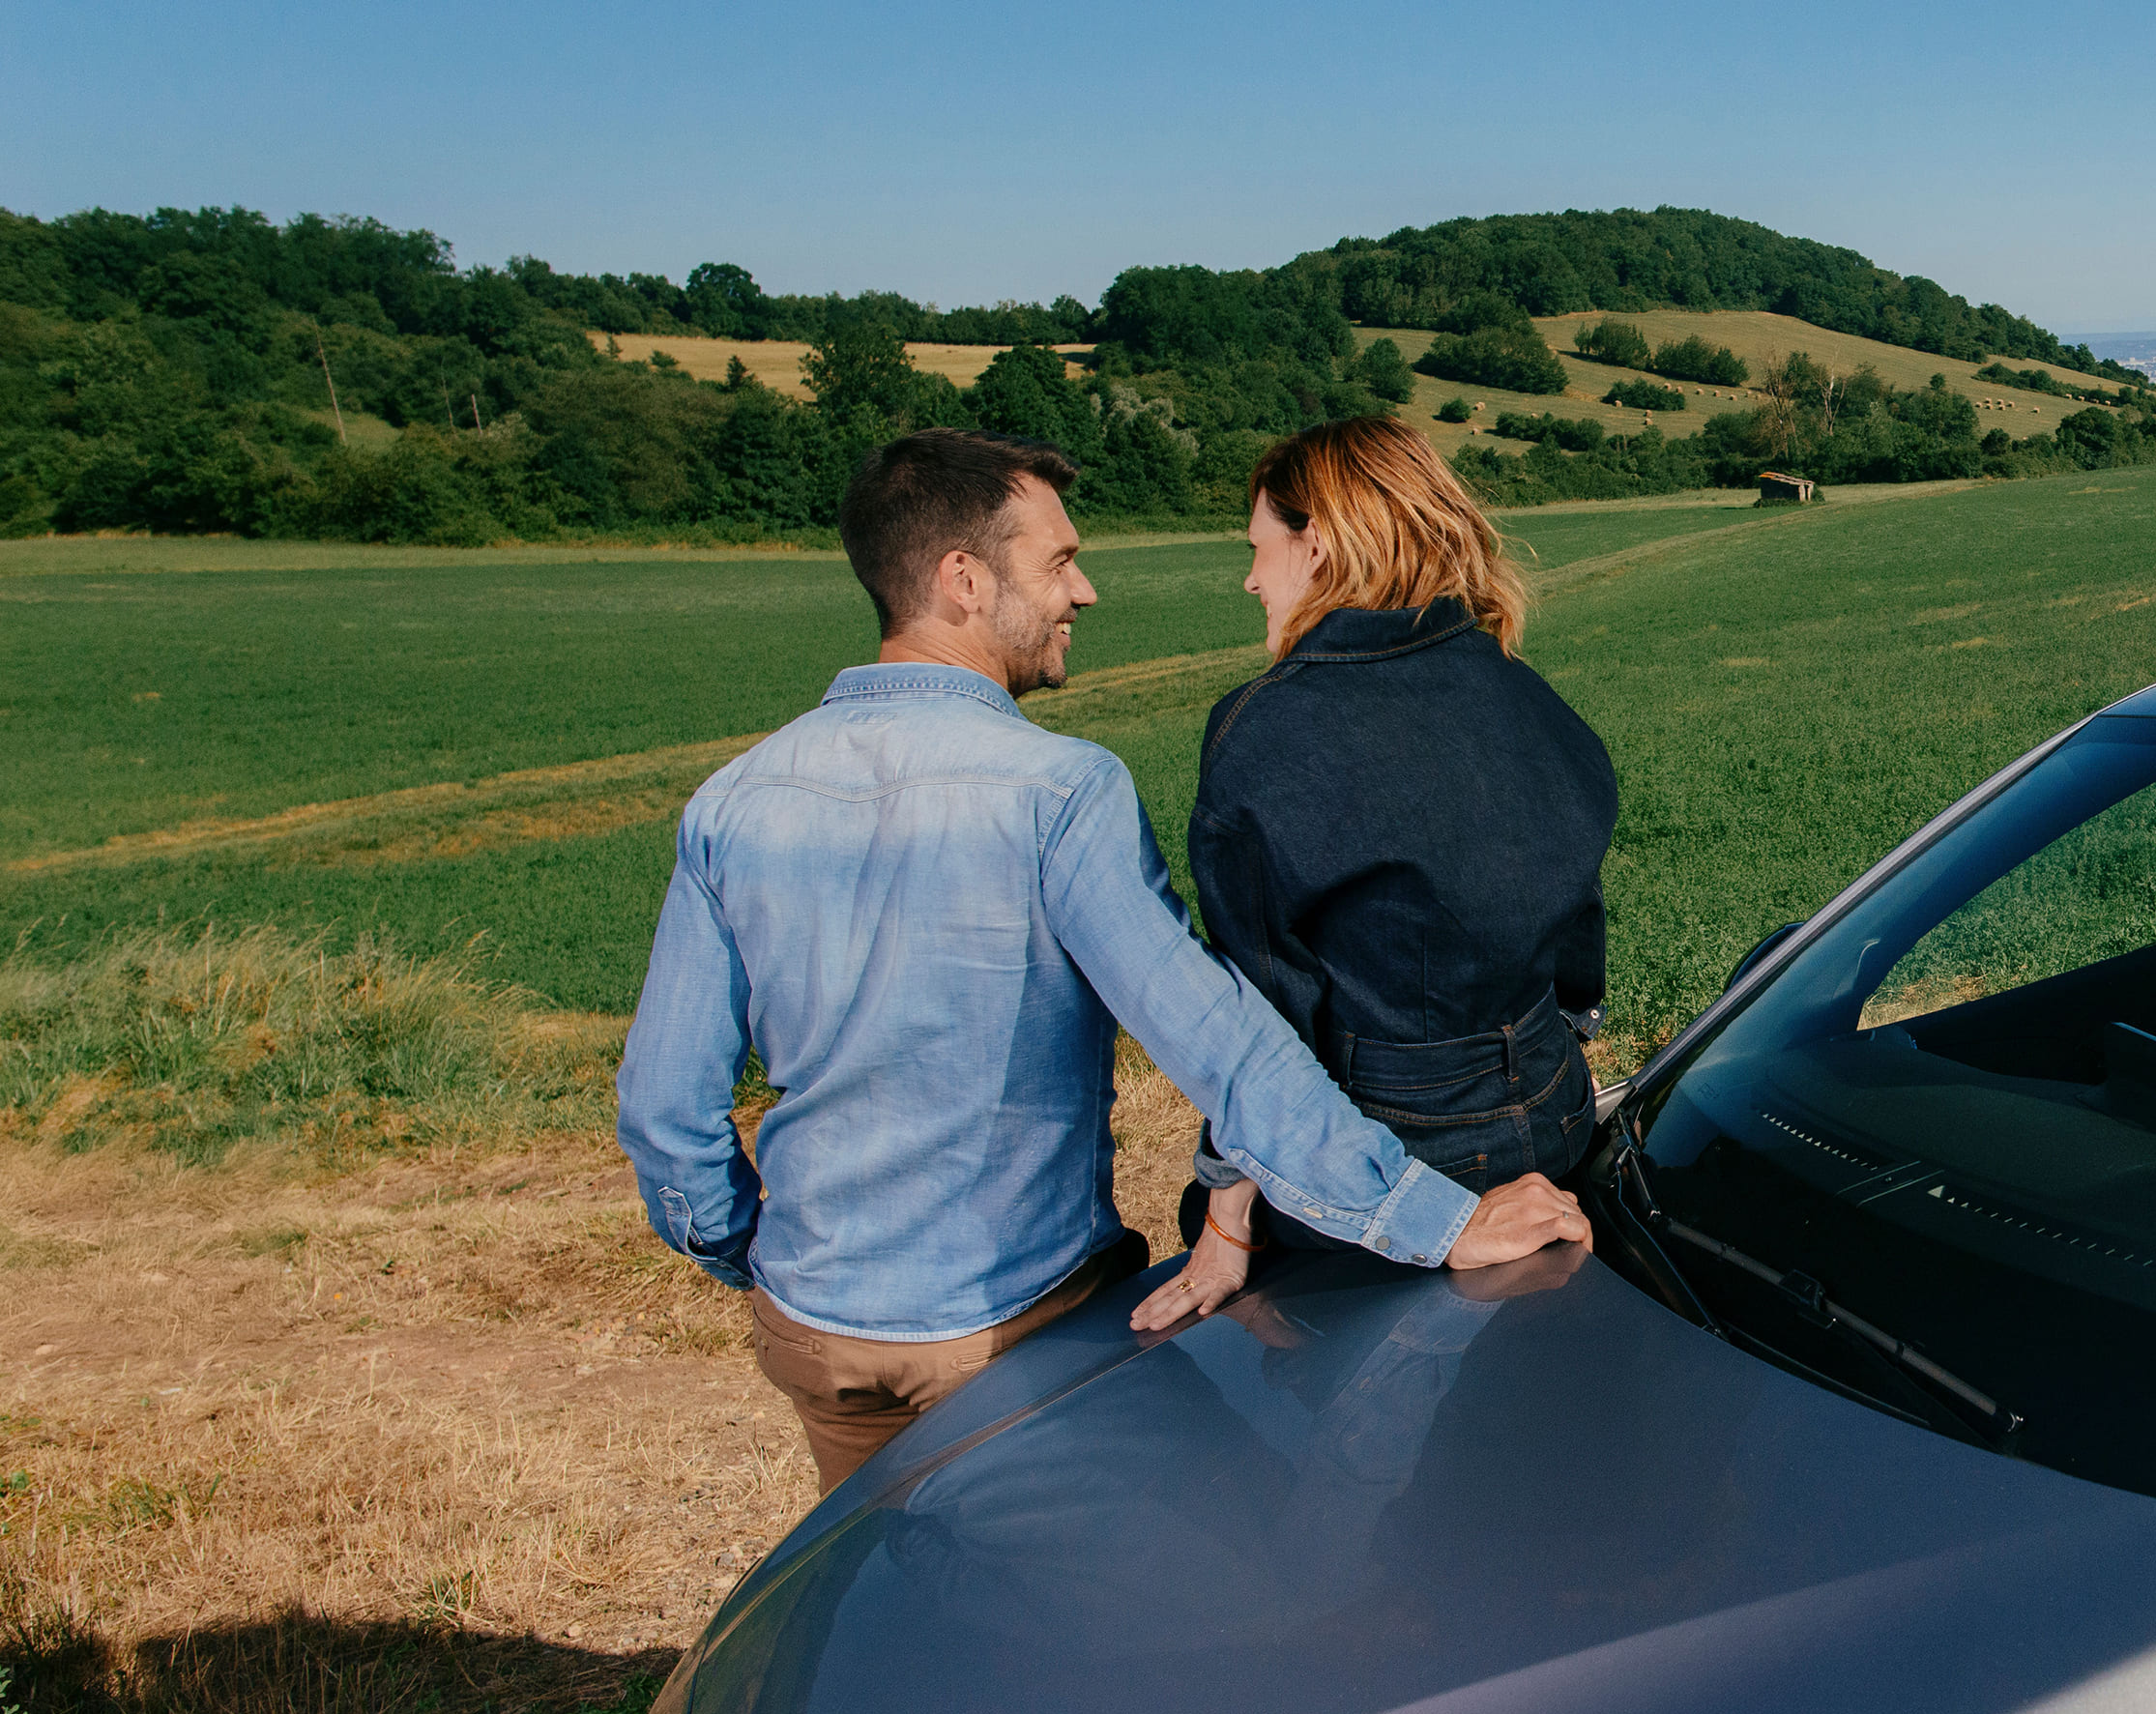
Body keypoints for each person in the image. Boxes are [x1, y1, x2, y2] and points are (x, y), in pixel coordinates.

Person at [618, 429, 1587, 1491]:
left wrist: (746, 1254)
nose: (1083, 590)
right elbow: (1227, 1047)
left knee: (882, 1592)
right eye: (1057, 561)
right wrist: (1440, 1219)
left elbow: (663, 1107)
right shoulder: (1056, 793)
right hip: (1012, 1328)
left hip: (813, 1328)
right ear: (963, 580)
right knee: (1142, 1598)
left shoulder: (734, 800)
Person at [1130, 417, 1617, 1333]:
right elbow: (1578, 938)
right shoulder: (1521, 685)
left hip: (1399, 1153)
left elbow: (1262, 1017)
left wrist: (1228, 1218)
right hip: (1555, 1114)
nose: (1250, 578)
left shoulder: (1263, 729)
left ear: (1316, 542)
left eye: (1259, 548)